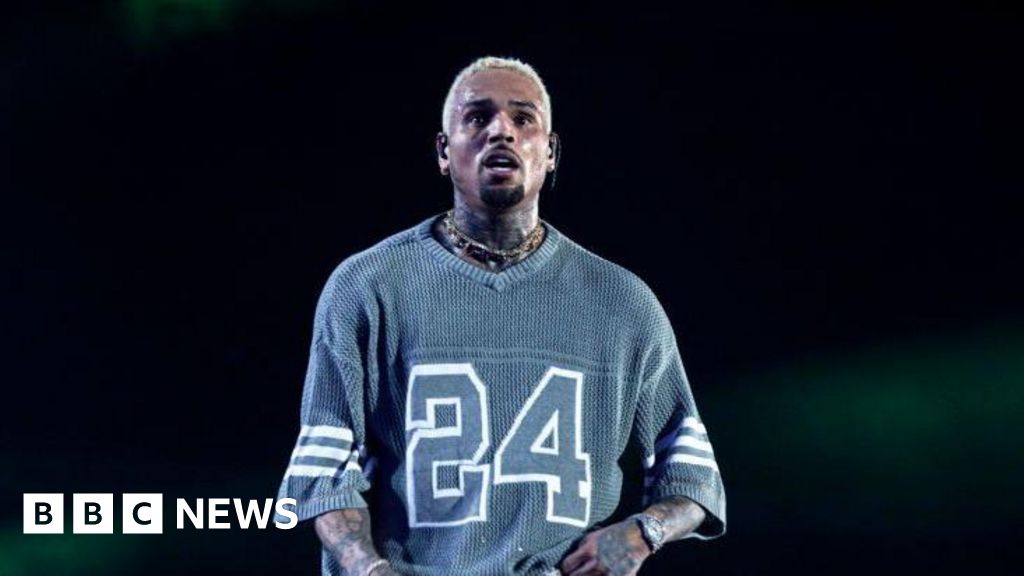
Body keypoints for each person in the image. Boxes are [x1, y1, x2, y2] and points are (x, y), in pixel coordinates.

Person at [275, 56, 726, 576]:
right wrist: (368, 569)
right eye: (477, 117)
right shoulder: (368, 286)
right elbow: (324, 471)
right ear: (444, 152)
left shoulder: (623, 303)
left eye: (523, 118)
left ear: (550, 152)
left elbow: (692, 476)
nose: (501, 132)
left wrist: (644, 533)